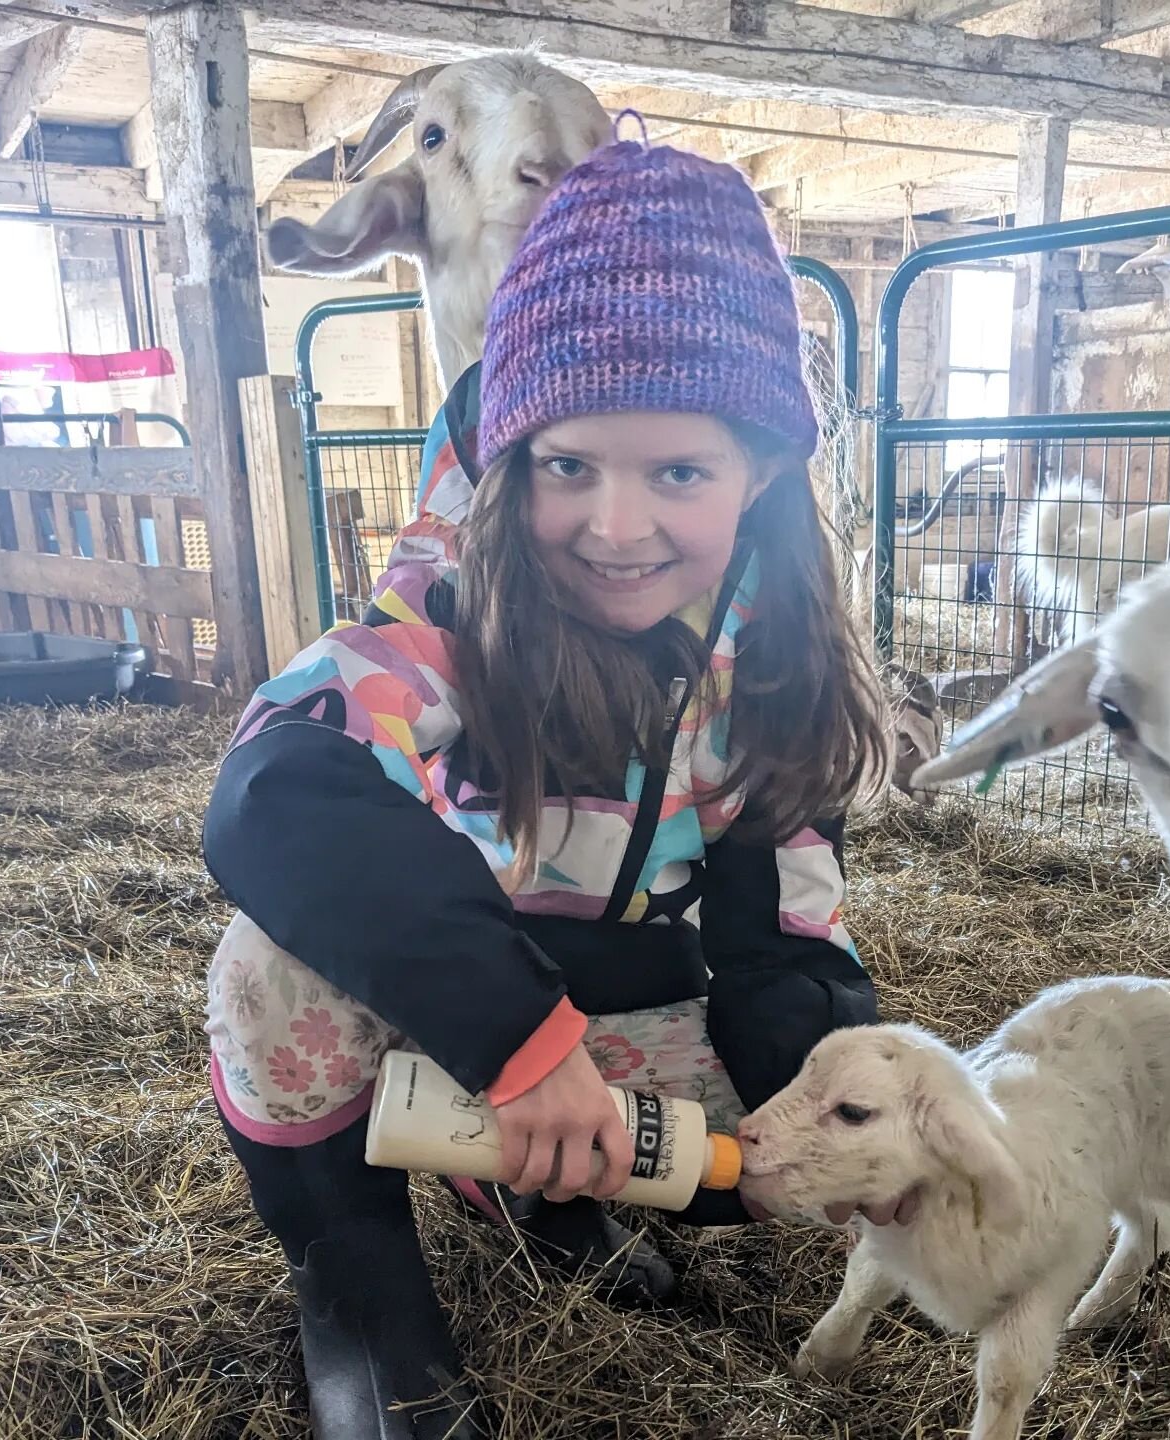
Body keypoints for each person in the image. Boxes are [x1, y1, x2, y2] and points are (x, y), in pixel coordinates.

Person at [201, 131, 892, 1440]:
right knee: (266, 971)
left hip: (621, 1017)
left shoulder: (776, 661)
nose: (616, 529)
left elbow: (783, 932)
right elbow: (275, 788)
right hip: (463, 1018)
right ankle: (359, 1297)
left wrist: (822, 1124)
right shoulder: (455, 607)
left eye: (678, 471)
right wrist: (516, 1047)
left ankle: (546, 1193)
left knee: (825, 1107)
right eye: (569, 464)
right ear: (513, 461)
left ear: (758, 472)